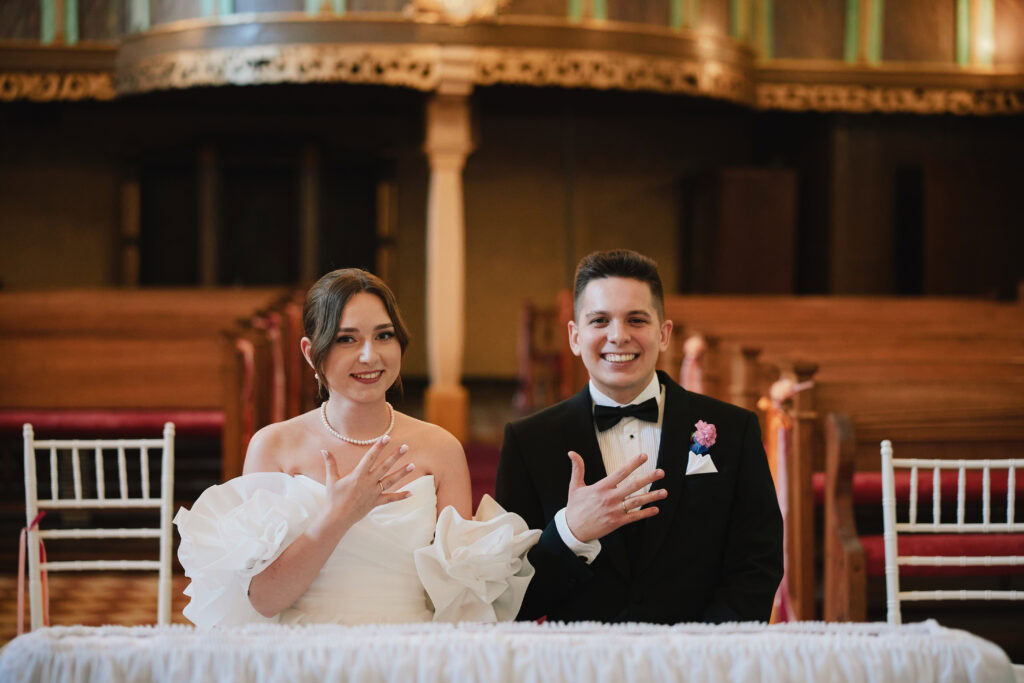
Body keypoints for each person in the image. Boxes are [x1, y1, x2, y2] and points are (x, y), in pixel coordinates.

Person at [175, 268, 539, 627]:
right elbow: (265, 601)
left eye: (384, 335)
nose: (370, 356)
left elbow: (459, 602)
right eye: (346, 339)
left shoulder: (440, 449)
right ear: (309, 351)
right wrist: (339, 516)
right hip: (302, 656)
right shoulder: (274, 447)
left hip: (408, 652)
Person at [495, 249, 783, 623]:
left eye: (636, 319)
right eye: (600, 320)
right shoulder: (529, 442)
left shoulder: (733, 429)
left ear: (663, 334)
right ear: (575, 336)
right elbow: (511, 595)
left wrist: (704, 653)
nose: (619, 336)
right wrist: (571, 533)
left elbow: (758, 563)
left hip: (700, 663)